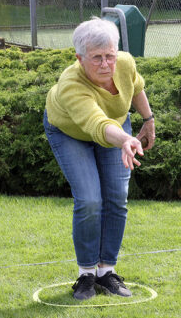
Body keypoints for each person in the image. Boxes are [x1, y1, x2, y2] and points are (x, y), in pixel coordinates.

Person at [44, 18, 155, 301]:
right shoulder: (71, 83)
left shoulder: (125, 63)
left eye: (110, 56)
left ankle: (107, 272)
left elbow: (136, 85)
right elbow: (96, 123)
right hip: (71, 133)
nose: (106, 64)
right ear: (80, 58)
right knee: (90, 199)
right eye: (97, 58)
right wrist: (125, 140)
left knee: (116, 196)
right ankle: (86, 275)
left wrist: (148, 119)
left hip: (116, 129)